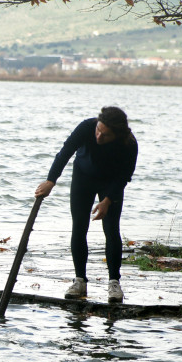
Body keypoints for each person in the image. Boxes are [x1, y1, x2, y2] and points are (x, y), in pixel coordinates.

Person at [35, 106, 138, 303]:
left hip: (111, 182)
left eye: (105, 135)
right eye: (98, 130)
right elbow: (64, 153)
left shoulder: (129, 144)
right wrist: (51, 181)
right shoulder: (85, 128)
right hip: (83, 177)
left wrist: (107, 201)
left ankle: (114, 282)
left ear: (117, 134)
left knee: (111, 229)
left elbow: (124, 177)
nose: (99, 136)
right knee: (79, 226)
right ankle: (79, 280)